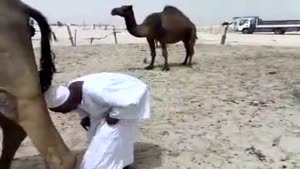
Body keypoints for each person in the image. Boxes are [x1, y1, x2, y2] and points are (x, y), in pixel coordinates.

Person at [44, 72, 151, 169]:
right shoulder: (71, 93)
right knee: (94, 136)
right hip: (109, 105)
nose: (64, 113)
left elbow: (129, 101)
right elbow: (81, 104)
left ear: (68, 101)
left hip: (130, 94)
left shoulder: (94, 91)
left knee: (110, 137)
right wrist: (85, 117)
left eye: (62, 109)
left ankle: (121, 165)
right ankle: (120, 163)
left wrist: (115, 115)